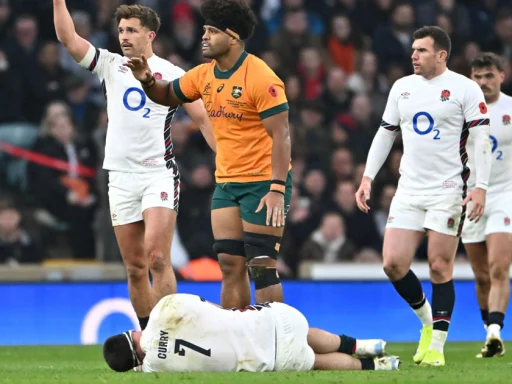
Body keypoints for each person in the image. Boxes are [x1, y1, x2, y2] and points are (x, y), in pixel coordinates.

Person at [53, 0, 214, 330]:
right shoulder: (109, 65)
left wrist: (225, 163)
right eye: (121, 30)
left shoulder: (172, 74)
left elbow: (204, 119)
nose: (124, 36)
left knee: (157, 257)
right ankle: (150, 340)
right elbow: (69, 39)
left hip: (158, 173)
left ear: (150, 35)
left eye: (131, 30)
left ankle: (170, 338)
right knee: (135, 267)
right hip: (120, 177)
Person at [125, 0, 292, 308]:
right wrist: (148, 80)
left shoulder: (260, 77)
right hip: (227, 183)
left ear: (233, 38)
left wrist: (277, 189)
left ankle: (274, 340)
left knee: (262, 266)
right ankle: (236, 338)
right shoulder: (203, 75)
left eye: (211, 31)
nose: (203, 37)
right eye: (203, 30)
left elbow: (280, 137)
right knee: (229, 264)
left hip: (262, 182)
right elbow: (167, 94)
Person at [355, 26, 492, 366]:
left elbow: (480, 141)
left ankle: (438, 347)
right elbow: (385, 135)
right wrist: (367, 176)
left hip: (449, 189)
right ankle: (428, 324)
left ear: (441, 55)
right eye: (413, 49)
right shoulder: (402, 88)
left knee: (439, 266)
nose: (413, 55)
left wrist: (480, 187)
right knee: (392, 264)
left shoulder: (465, 88)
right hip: (409, 190)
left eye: (422, 51)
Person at [102, 293, 401, 373]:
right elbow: (209, 307)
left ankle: (377, 366)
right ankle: (367, 345)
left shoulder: (157, 370)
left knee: (315, 361)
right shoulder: (162, 310)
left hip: (264, 360)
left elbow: (152, 361)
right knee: (307, 334)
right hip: (268, 322)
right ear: (131, 332)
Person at [462, 52, 512, 358]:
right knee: (480, 274)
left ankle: (496, 330)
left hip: (505, 195)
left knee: (498, 267)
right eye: (478, 77)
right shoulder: (460, 112)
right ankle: (489, 336)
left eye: (489, 76)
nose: (483, 82)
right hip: (469, 198)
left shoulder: (510, 109)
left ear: (501, 77)